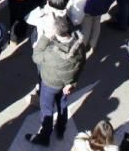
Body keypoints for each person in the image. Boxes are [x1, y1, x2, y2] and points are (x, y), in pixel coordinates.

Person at [26, 15, 87, 146]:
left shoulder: (52, 52)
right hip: (66, 84)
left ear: (55, 32)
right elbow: (81, 64)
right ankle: (61, 128)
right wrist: (72, 83)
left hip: (50, 84)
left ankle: (44, 136)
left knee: (46, 110)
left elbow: (36, 57)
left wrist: (45, 37)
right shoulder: (79, 45)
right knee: (62, 104)